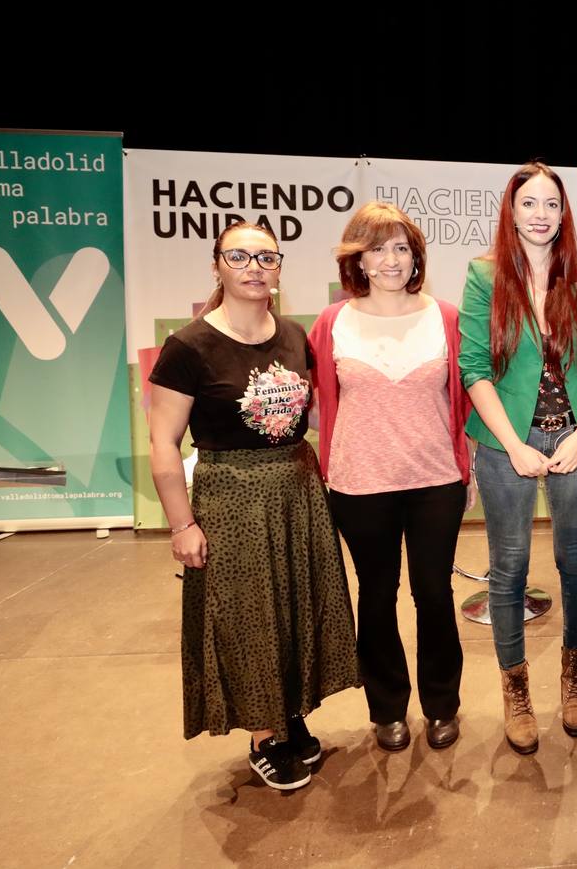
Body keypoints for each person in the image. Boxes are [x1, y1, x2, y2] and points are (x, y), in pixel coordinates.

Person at [149, 222, 358, 792]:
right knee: (248, 618)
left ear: (279, 268)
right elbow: (164, 443)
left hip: (297, 491)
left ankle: (289, 713)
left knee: (295, 608)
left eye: (266, 258)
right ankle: (264, 735)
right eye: (239, 256)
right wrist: (182, 524)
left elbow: (312, 413)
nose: (254, 268)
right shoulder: (188, 347)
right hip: (231, 498)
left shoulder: (293, 335)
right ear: (216, 264)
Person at [458, 162, 577, 754]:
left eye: (552, 203)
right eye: (529, 203)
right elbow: (474, 369)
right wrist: (513, 445)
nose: (541, 214)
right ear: (512, 210)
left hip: (575, 439)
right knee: (510, 567)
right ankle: (516, 691)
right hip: (507, 444)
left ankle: (574, 681)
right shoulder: (485, 275)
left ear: (564, 213)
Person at [309, 202, 472, 754]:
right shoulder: (333, 322)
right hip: (359, 485)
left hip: (435, 480)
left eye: (402, 248)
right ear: (358, 260)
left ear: (416, 257)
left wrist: (468, 465)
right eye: (377, 249)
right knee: (376, 597)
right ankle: (387, 709)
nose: (391, 260)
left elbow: (465, 399)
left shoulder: (445, 317)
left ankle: (442, 705)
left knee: (434, 593)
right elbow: (314, 401)